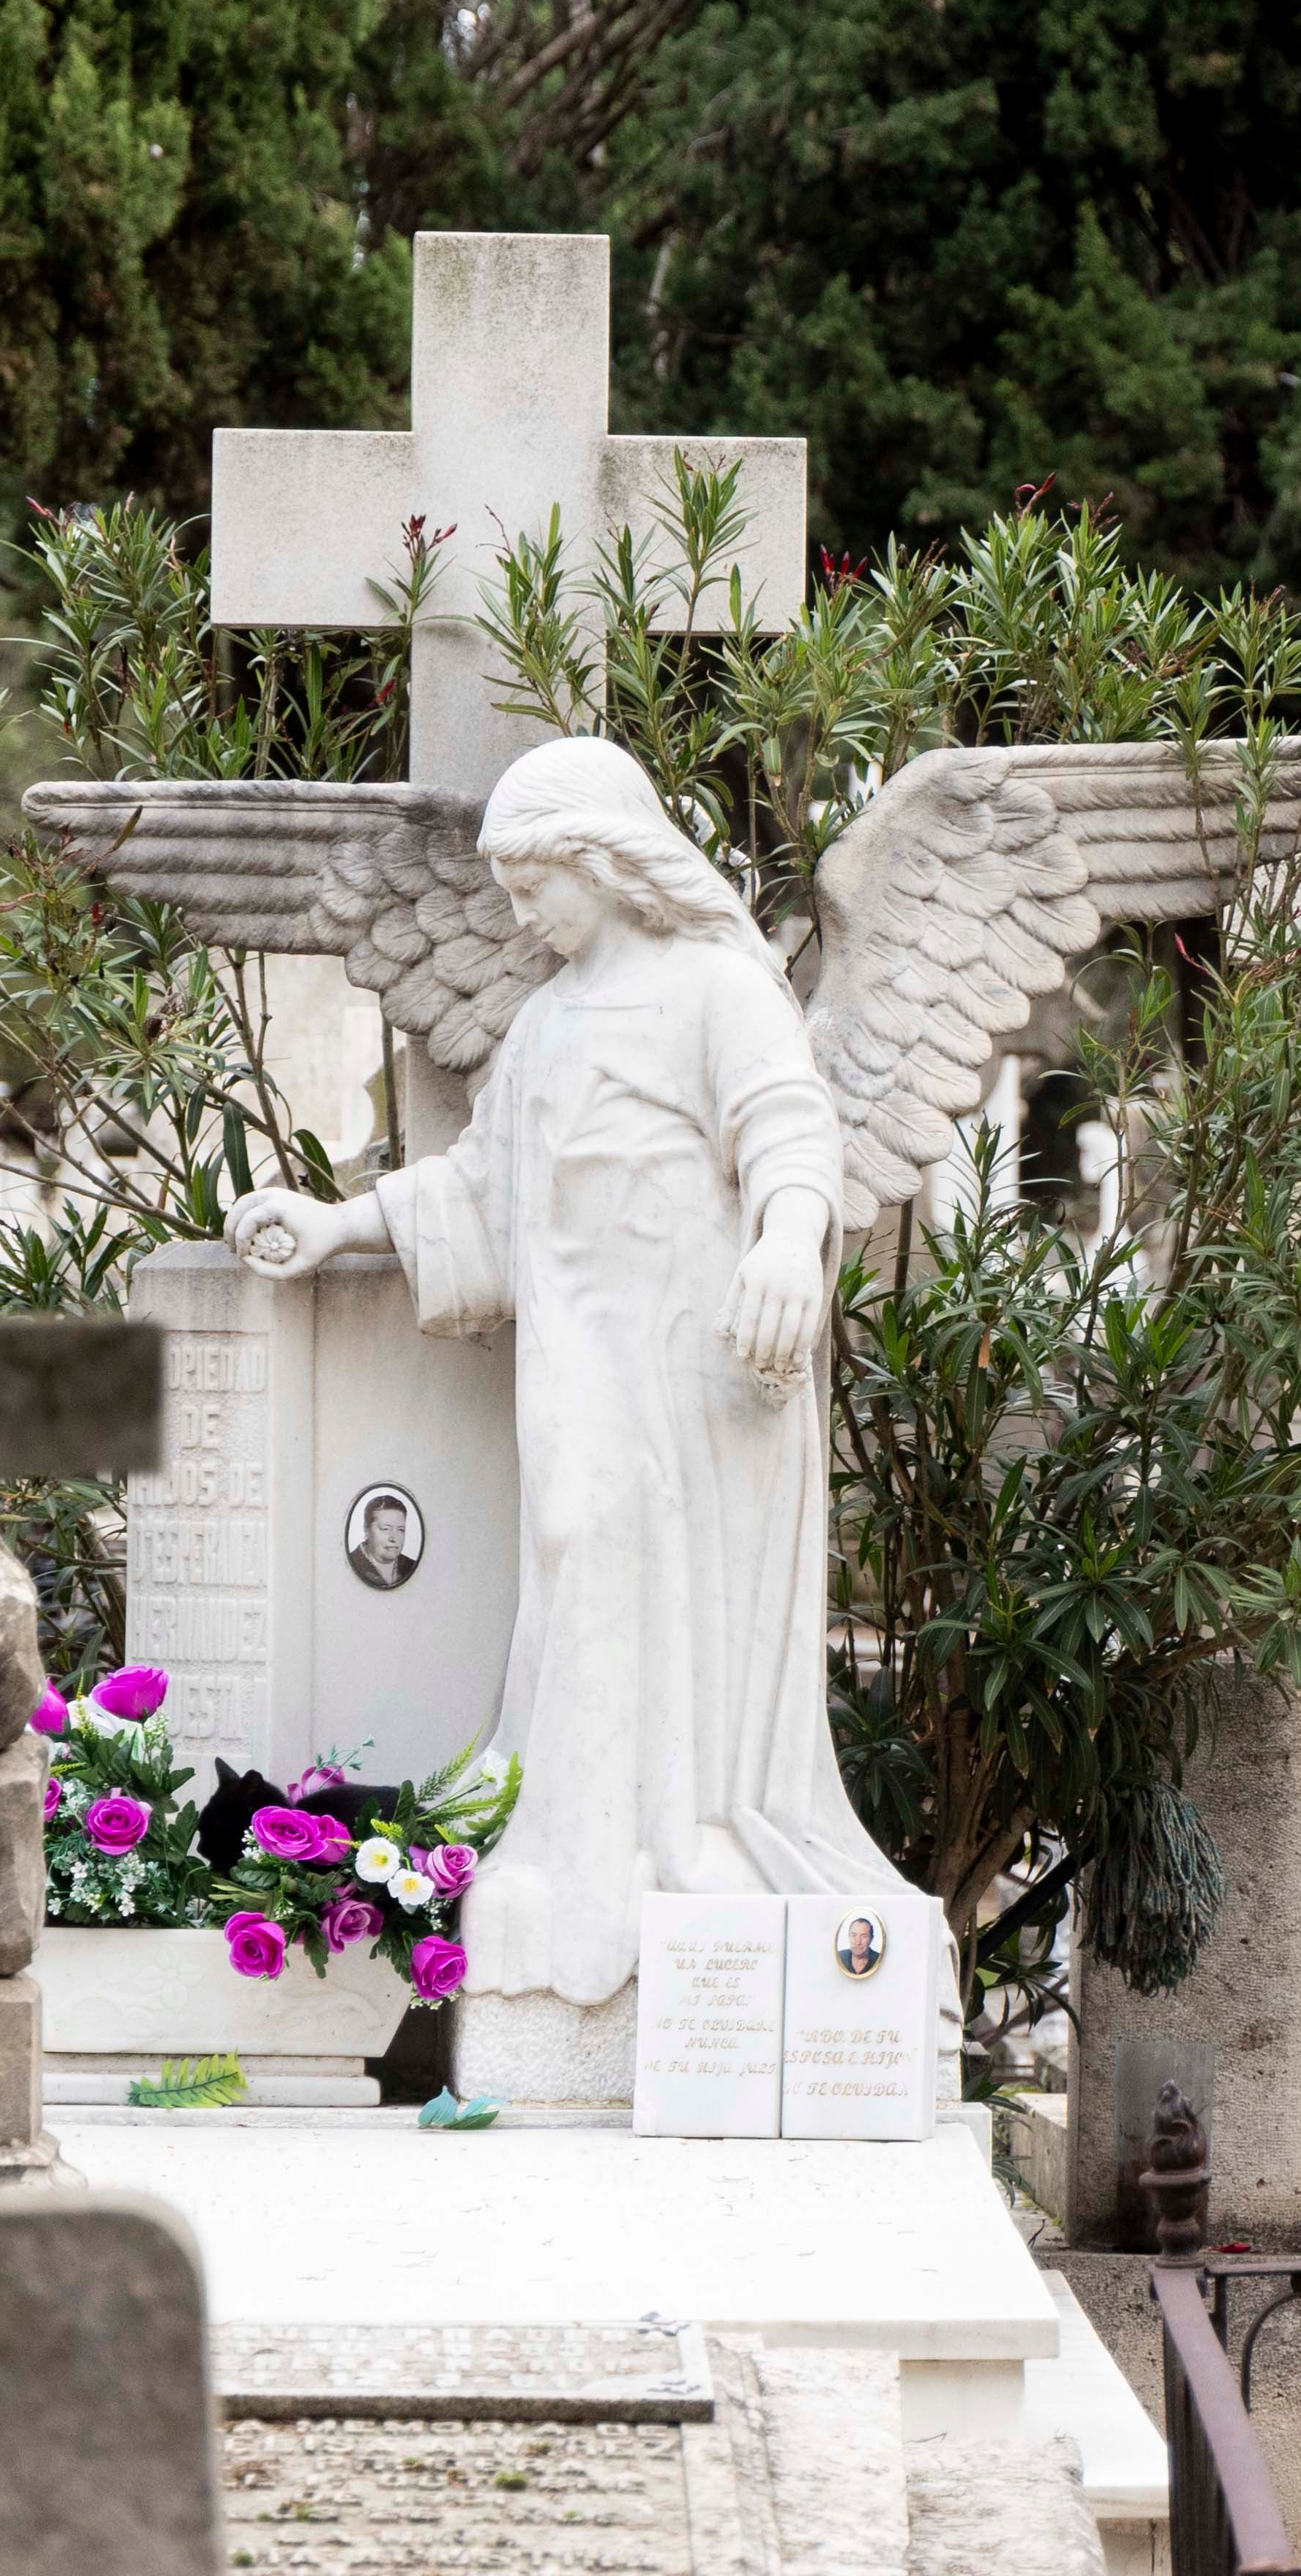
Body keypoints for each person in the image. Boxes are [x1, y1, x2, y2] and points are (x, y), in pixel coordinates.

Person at [230, 735, 918, 2026]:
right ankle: (580, 1864)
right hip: (580, 1370)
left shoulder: (716, 985)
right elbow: (481, 1185)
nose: (521, 909)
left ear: (606, 860)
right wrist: (338, 1225)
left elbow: (787, 1122)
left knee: (675, 1595)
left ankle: (682, 1849)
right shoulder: (545, 1024)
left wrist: (783, 1235)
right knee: (577, 1556)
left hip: (707, 1369)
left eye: (536, 880)